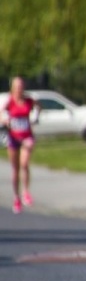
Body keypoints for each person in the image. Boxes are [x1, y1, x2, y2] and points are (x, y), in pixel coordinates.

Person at [1, 77, 40, 213]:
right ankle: (16, 197)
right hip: (13, 137)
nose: (19, 89)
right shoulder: (9, 101)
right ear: (12, 88)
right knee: (15, 169)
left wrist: (36, 118)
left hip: (27, 136)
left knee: (24, 163)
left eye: (21, 86)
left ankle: (26, 192)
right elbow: (1, 114)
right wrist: (5, 121)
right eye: (16, 86)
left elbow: (39, 107)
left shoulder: (29, 100)